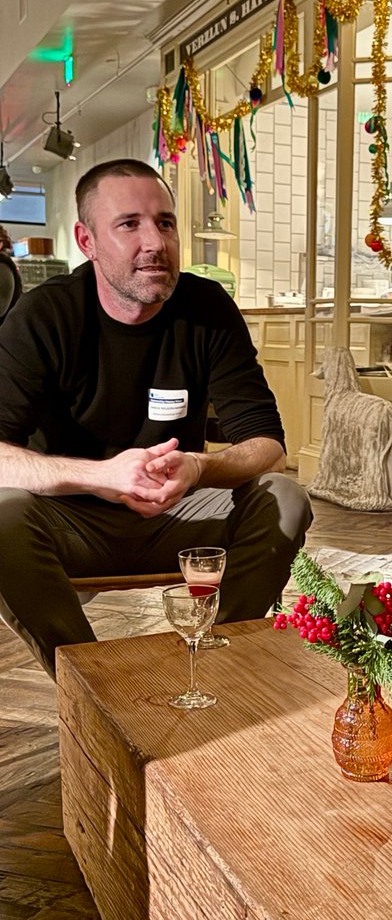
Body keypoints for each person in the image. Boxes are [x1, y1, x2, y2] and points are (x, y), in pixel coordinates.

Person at [0, 159, 312, 678]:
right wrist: (102, 476)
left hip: (179, 514)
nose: (156, 242)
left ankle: (212, 659)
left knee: (286, 497)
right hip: (74, 521)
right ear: (87, 240)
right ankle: (92, 683)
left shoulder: (206, 307)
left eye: (165, 223)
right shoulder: (43, 316)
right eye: (130, 224)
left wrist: (196, 467)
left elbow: (267, 444)